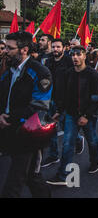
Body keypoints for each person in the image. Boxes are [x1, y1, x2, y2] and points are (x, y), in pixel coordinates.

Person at [0, 31, 52, 197]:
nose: (5, 51)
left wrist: (11, 118)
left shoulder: (40, 72)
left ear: (24, 49)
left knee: (14, 183)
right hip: (7, 130)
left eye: (10, 48)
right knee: (31, 176)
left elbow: (39, 105)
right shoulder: (9, 70)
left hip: (28, 133)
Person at [46, 45, 98, 185]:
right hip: (71, 115)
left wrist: (87, 116)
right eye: (73, 55)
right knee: (67, 144)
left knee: (92, 141)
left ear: (84, 56)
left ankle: (95, 162)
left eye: (78, 54)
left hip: (88, 116)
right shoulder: (68, 73)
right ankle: (63, 175)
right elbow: (65, 95)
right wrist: (59, 110)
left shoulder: (92, 74)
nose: (75, 57)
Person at [42, 39, 84, 168]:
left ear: (63, 48)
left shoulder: (68, 61)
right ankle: (53, 155)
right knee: (50, 129)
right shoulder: (48, 61)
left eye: (58, 47)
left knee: (66, 128)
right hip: (50, 99)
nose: (55, 49)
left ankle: (78, 139)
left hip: (65, 101)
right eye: (53, 47)